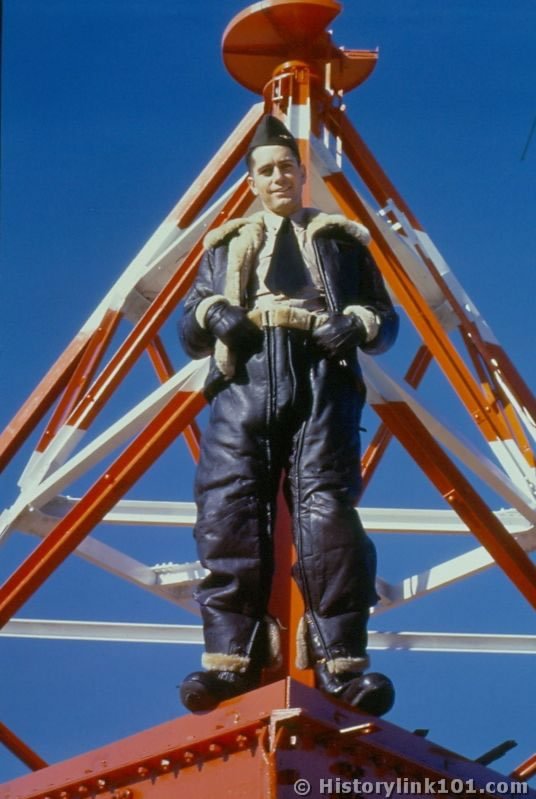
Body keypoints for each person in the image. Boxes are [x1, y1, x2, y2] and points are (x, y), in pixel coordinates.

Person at [178, 115, 399, 714]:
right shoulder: (224, 247)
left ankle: (341, 663)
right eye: (266, 170)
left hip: (321, 376)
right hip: (244, 378)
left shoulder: (342, 242)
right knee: (227, 511)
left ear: (302, 175)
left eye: (285, 167)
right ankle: (230, 661)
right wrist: (215, 313)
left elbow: (385, 320)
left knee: (328, 515)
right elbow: (189, 329)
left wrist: (355, 323)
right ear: (252, 182)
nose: (277, 177)